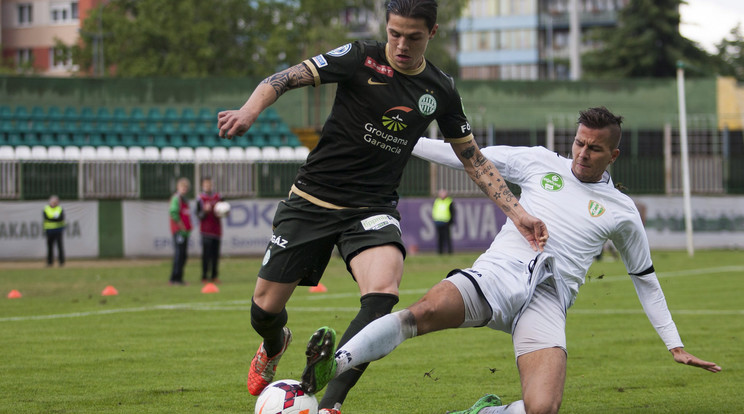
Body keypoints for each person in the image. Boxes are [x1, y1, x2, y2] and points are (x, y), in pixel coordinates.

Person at [216, 1, 548, 411]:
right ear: (386, 28)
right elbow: (283, 78)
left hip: (371, 208)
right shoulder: (360, 57)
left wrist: (518, 213)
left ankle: (331, 403)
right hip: (312, 200)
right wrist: (248, 111)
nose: (402, 44)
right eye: (395, 34)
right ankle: (274, 342)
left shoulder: (440, 89)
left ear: (433, 33)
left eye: (414, 37)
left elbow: (472, 158)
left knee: (382, 294)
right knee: (264, 311)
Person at [300, 107, 721, 413]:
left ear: (613, 155)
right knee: (423, 312)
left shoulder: (622, 211)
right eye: (578, 142)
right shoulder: (540, 162)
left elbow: (644, 277)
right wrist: (400, 140)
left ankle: (485, 413)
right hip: (497, 274)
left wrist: (674, 343)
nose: (581, 153)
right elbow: (466, 155)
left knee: (542, 408)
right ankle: (331, 366)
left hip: (547, 301)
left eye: (594, 149)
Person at [196, 176, 224, 284]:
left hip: (216, 230)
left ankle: (214, 276)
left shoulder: (218, 197)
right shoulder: (200, 199)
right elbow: (198, 215)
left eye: (210, 184)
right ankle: (204, 276)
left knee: (215, 256)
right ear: (203, 186)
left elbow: (225, 209)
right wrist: (204, 211)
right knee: (206, 255)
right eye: (206, 184)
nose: (208, 186)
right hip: (206, 231)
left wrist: (225, 212)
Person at [169, 177, 192, 286]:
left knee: (183, 255)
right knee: (179, 255)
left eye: (186, 187)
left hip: (185, 232)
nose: (184, 189)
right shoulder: (176, 198)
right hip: (179, 231)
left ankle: (179, 278)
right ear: (178, 187)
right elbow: (173, 213)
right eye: (182, 187)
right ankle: (175, 279)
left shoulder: (185, 200)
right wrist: (181, 225)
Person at [43, 195, 65, 267]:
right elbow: (46, 218)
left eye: (55, 202)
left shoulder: (60, 209)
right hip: (49, 231)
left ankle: (61, 262)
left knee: (60, 246)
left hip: (58, 230)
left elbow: (61, 218)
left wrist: (52, 218)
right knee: (50, 247)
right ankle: (50, 262)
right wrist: (54, 218)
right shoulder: (46, 209)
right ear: (50, 202)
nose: (54, 203)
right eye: (53, 202)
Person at [432, 188, 455, 254]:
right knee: (440, 238)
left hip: (446, 222)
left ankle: (449, 252)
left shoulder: (449, 201)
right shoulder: (437, 201)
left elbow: (452, 212)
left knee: (447, 238)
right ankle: (440, 252)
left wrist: (450, 221)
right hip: (438, 222)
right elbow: (435, 211)